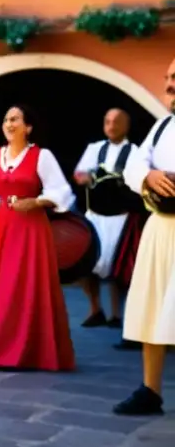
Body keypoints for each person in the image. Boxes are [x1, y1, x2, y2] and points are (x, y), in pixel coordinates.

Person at [0, 105, 76, 371]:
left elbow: (61, 191)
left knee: (26, 285)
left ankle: (28, 350)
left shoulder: (41, 156)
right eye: (6, 119)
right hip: (2, 227)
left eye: (15, 119)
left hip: (31, 230)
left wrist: (34, 202)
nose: (9, 124)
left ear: (28, 127)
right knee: (0, 285)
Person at [114, 58, 175, 416]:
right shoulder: (164, 125)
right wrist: (149, 177)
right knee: (152, 305)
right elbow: (134, 165)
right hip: (160, 227)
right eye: (168, 77)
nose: (169, 85)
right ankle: (150, 391)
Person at [73, 108, 140, 328]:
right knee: (86, 263)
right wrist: (87, 176)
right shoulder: (95, 149)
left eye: (116, 122)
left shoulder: (134, 152)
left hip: (120, 219)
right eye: (108, 121)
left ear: (126, 126)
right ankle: (95, 309)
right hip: (95, 216)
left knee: (117, 267)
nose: (111, 126)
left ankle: (116, 315)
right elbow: (78, 174)